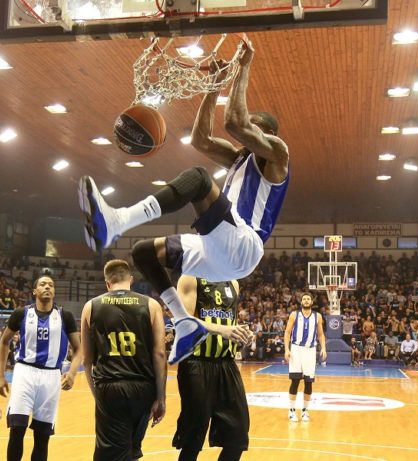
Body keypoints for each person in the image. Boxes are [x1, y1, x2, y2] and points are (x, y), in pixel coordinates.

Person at [78, 40, 289, 364]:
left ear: (269, 134)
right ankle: (185, 322)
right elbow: (200, 139)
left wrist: (242, 67)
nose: (243, 137)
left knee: (201, 179)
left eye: (255, 129)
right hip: (219, 252)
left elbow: (235, 122)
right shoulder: (239, 159)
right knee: (144, 253)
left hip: (245, 244)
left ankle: (119, 220)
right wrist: (213, 87)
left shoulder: (278, 155)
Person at [80, 259, 167, 461]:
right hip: (143, 388)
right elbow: (160, 354)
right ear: (131, 279)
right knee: (132, 450)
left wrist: (97, 394)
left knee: (110, 455)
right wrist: (161, 397)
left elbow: (87, 360)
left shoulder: (90, 306)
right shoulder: (152, 305)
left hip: (110, 387)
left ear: (107, 283)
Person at [0, 275, 83, 461]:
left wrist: (72, 372)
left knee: (42, 437)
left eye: (51, 285)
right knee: (17, 429)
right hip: (24, 372)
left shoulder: (65, 316)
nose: (47, 287)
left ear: (54, 291)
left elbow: (79, 348)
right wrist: (0, 376)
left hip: (52, 376)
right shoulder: (21, 313)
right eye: (43, 284)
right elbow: (4, 342)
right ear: (34, 291)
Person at [173, 276, 250, 461]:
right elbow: (184, 321)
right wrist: (221, 330)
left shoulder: (233, 282)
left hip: (226, 364)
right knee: (194, 435)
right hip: (196, 362)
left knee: (238, 434)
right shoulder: (190, 278)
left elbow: (228, 323)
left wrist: (241, 333)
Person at [284, 293, 326, 422]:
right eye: (304, 299)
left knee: (308, 382)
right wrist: (287, 349)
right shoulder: (294, 315)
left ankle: (305, 411)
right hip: (296, 349)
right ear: (301, 302)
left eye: (308, 299)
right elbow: (287, 332)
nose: (306, 301)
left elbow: (320, 334)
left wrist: (323, 348)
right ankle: (291, 411)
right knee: (295, 381)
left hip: (310, 350)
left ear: (312, 302)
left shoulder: (318, 316)